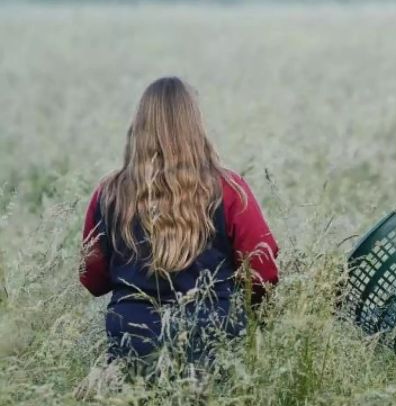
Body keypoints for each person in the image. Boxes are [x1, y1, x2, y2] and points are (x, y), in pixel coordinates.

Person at [79, 77, 279, 367]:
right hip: (214, 339)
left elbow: (92, 279)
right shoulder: (228, 188)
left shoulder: (108, 193)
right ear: (195, 126)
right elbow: (263, 273)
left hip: (133, 342)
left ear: (139, 126)